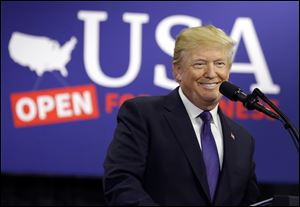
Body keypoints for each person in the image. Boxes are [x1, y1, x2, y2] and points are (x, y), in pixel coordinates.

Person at [103, 25, 260, 206]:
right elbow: (121, 182)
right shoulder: (143, 115)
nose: (211, 73)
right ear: (178, 70)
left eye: (219, 64)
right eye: (199, 64)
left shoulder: (242, 140)